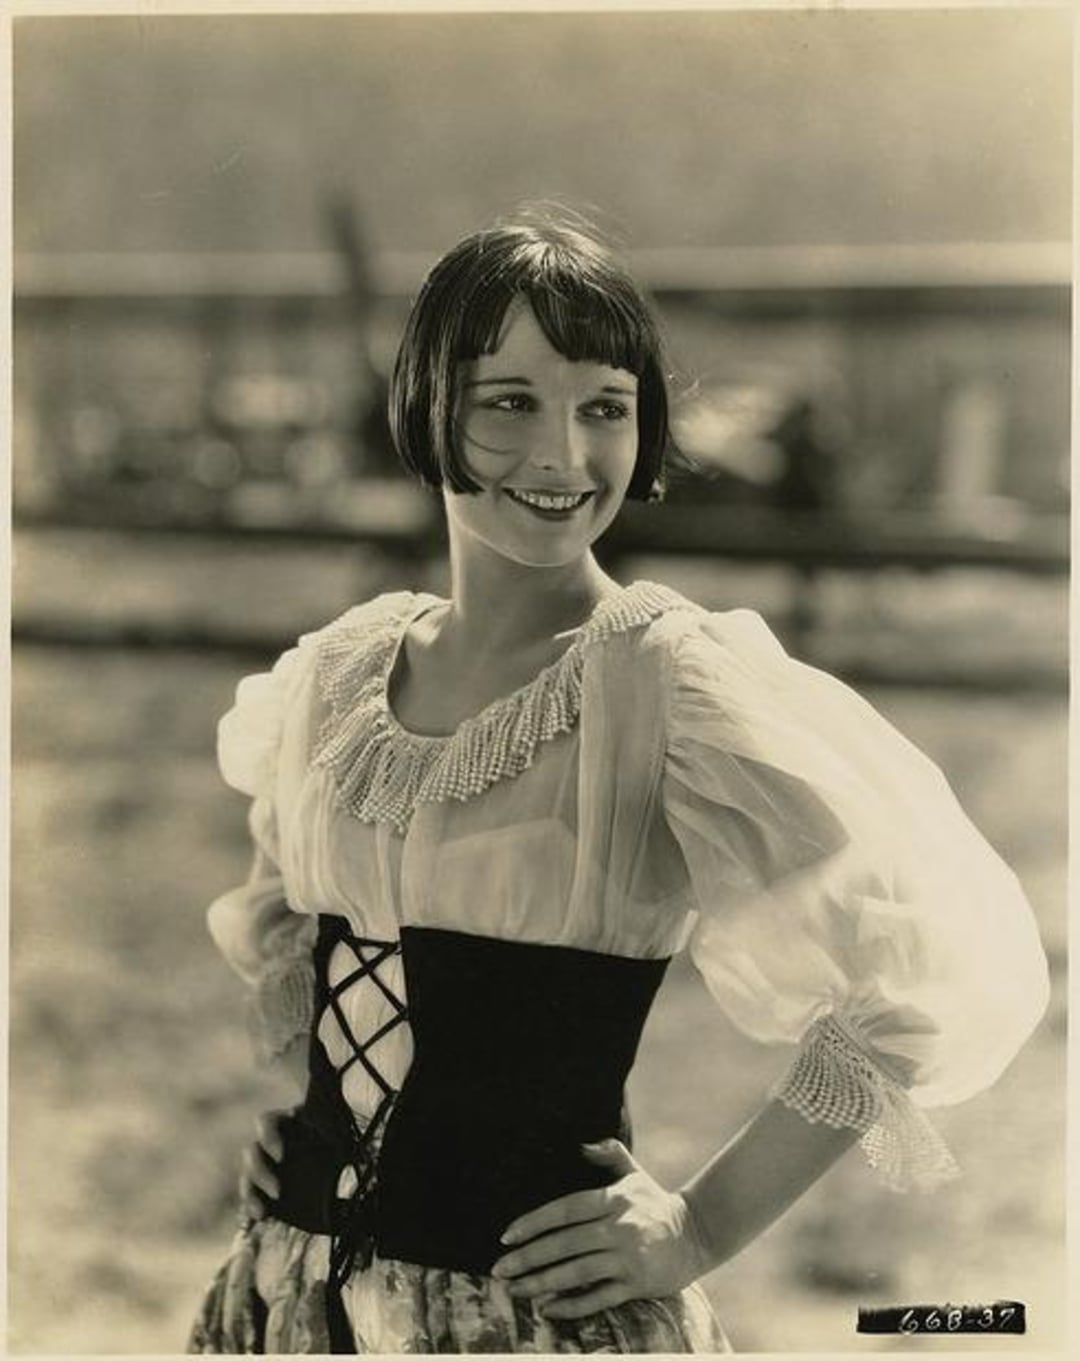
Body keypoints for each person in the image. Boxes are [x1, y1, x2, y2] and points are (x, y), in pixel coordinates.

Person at [188, 212, 1049, 1354]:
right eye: (509, 402)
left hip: (533, 1317)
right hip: (294, 1299)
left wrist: (698, 1225)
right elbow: (297, 937)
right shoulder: (337, 676)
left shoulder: (667, 683)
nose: (564, 457)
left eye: (605, 407)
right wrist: (306, 1130)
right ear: (424, 408)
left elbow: (916, 978)